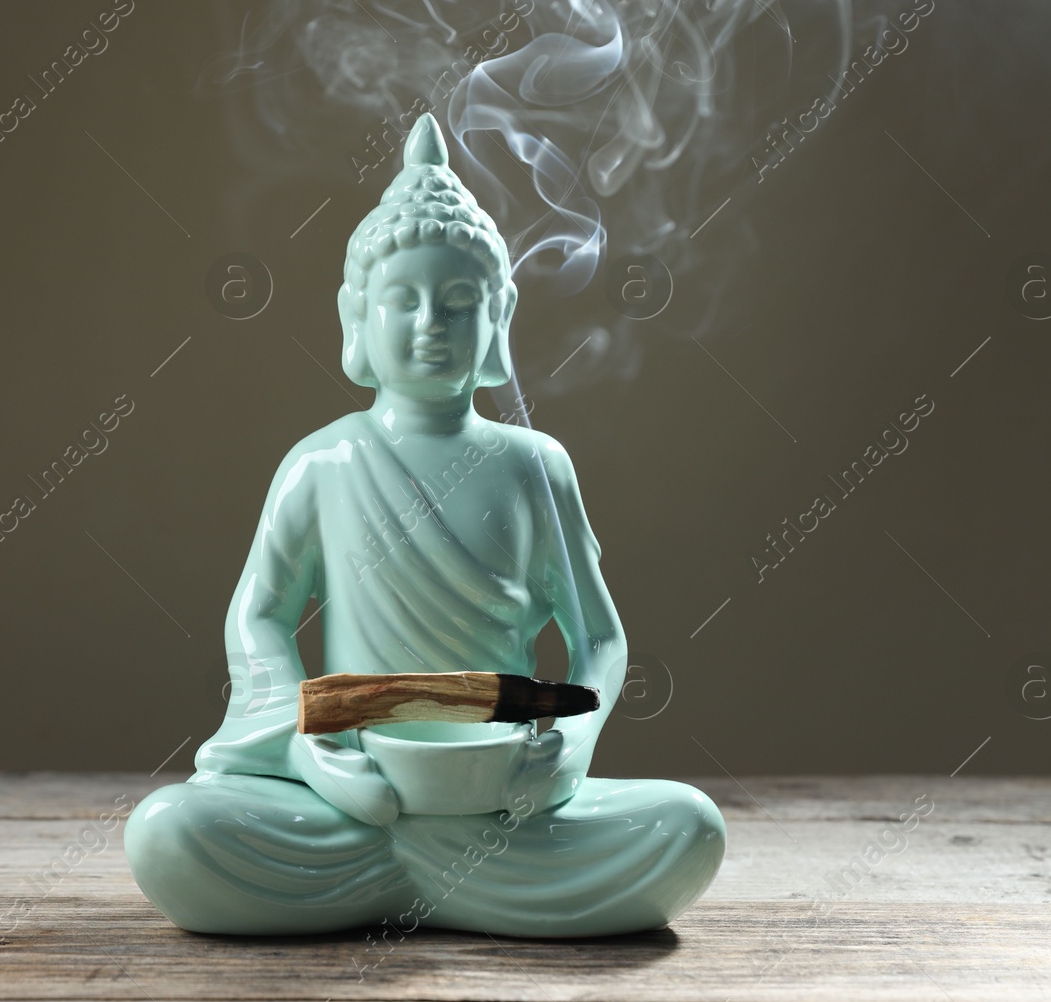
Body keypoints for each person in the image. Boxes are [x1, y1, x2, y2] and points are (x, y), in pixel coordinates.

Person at [125, 113, 724, 937]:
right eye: (400, 300)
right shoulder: (324, 462)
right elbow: (259, 614)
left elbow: (602, 641)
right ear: (355, 315)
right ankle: (446, 885)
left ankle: (407, 884)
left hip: (501, 795)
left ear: (499, 316)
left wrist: (570, 752)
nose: (428, 324)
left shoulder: (534, 464)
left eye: (458, 301)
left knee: (686, 824)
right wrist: (305, 750)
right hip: (359, 793)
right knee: (172, 831)